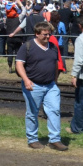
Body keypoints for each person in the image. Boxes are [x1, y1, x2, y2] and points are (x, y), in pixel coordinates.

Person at [15, 21, 67, 150]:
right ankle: (32, 139)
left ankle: (55, 140)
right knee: (32, 113)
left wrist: (55, 79)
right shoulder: (27, 46)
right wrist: (26, 80)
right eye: (44, 34)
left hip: (50, 85)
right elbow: (19, 64)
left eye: (49, 34)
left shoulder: (53, 47)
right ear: (37, 34)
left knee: (54, 110)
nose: (48, 37)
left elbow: (55, 63)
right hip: (33, 84)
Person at [68, 16, 83, 134]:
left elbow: (79, 60)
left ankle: (77, 128)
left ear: (80, 26)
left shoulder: (80, 39)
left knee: (79, 103)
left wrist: (74, 75)